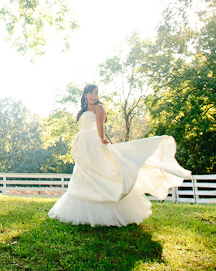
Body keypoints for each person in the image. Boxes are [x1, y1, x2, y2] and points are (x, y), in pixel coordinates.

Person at [48, 84, 191, 227]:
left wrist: (102, 138)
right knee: (84, 175)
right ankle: (84, 213)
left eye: (96, 93)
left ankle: (108, 211)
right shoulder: (83, 111)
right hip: (84, 146)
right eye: (91, 93)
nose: (94, 95)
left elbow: (100, 125)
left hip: (94, 143)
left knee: (101, 173)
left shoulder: (99, 108)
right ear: (85, 94)